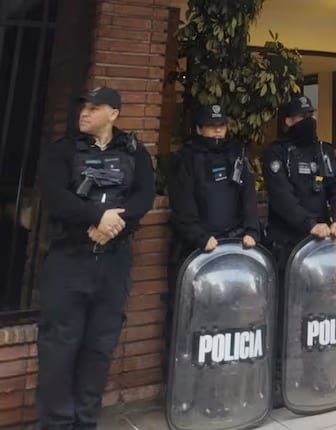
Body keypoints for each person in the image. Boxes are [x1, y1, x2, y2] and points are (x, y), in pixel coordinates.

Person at [36, 86, 155, 429]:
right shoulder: (62, 151)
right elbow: (55, 196)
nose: (84, 113)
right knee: (60, 347)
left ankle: (86, 421)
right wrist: (95, 217)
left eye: (94, 107)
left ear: (114, 113)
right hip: (69, 260)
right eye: (83, 107)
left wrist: (112, 224)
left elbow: (144, 196)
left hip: (113, 262)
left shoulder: (134, 152)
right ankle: (56, 424)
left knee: (99, 346)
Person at [260, 94, 336, 404]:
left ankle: (317, 375)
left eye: (310, 114)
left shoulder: (326, 151)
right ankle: (277, 381)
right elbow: (282, 198)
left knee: (320, 314)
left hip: (322, 247)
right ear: (287, 121)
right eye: (301, 116)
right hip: (288, 243)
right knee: (284, 313)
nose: (307, 121)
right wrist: (309, 223)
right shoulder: (276, 153)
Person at [165, 104, 262, 358]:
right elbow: (182, 203)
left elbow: (248, 195)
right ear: (199, 128)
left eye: (221, 127)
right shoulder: (186, 158)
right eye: (211, 127)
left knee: (233, 313)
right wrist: (199, 236)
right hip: (198, 250)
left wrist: (251, 230)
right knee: (194, 316)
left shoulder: (237, 154)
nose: (217, 132)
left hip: (235, 247)